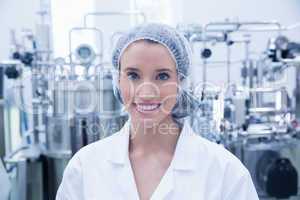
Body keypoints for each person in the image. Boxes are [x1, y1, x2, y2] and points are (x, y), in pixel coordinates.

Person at [56, 23, 259, 200]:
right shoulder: (85, 167)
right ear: (118, 80)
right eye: (133, 75)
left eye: (162, 76)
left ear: (181, 81)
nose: (146, 93)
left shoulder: (226, 173)